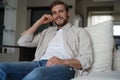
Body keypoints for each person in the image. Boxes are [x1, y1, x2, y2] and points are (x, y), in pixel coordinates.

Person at [0, 1, 93, 80]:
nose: (58, 15)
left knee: (37, 74)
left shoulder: (79, 31)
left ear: (68, 13)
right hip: (38, 63)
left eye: (61, 11)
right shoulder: (47, 32)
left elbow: (87, 59)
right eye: (54, 13)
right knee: (2, 67)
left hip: (65, 67)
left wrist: (62, 61)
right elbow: (22, 41)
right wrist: (39, 22)